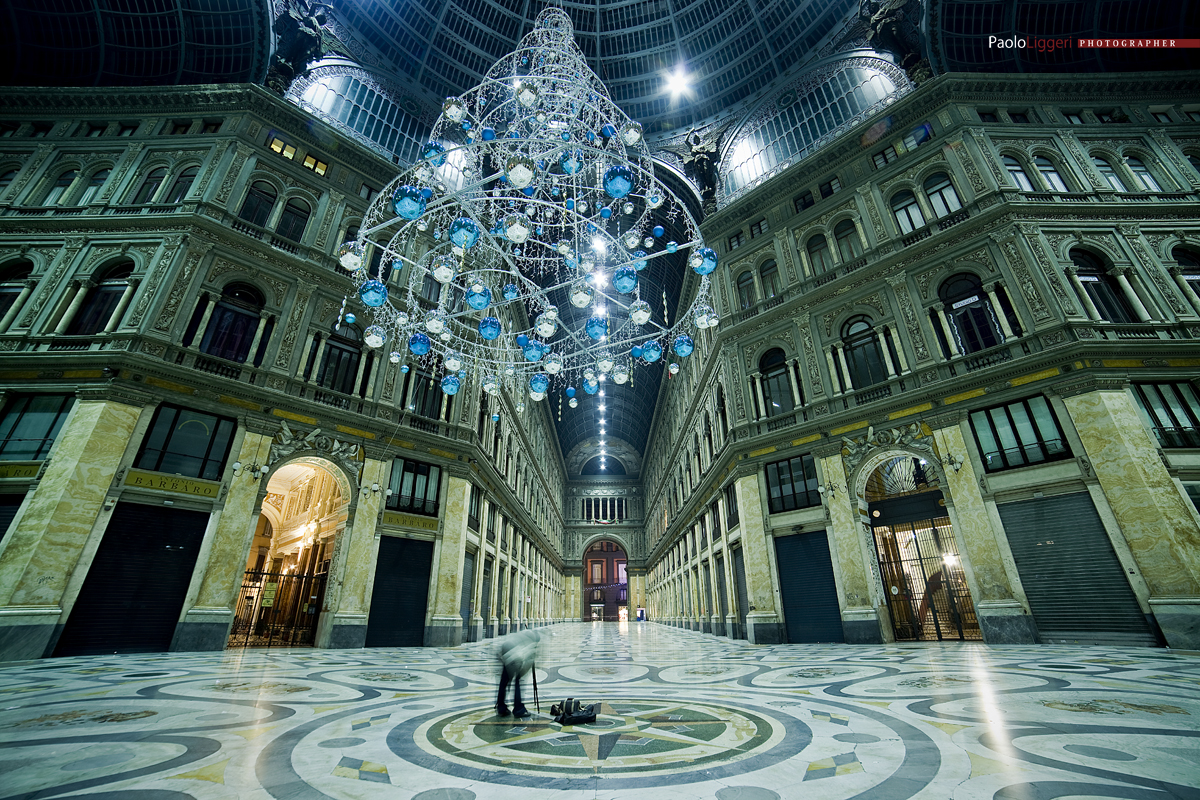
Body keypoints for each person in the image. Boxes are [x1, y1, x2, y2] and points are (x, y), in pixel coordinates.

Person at [496, 628, 540, 718]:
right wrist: (520, 675)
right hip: (514, 656)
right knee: (517, 682)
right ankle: (518, 709)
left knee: (504, 681)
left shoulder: (523, 634)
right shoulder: (532, 643)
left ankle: (501, 707)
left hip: (505, 649)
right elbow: (525, 666)